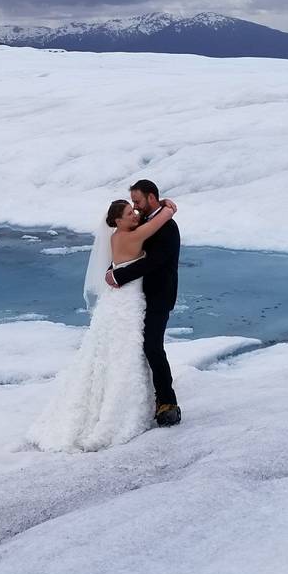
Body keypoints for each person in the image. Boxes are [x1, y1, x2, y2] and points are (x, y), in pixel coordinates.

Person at [27, 196, 177, 452]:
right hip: (128, 302)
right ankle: (121, 409)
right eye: (129, 212)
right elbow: (165, 217)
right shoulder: (133, 235)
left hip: (117, 302)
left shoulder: (117, 237)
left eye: (134, 209)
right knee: (127, 350)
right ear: (117, 220)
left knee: (112, 349)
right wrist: (168, 206)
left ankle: (115, 398)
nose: (135, 215)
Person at [106, 180, 181, 427]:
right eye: (132, 205)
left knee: (152, 346)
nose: (135, 209)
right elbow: (129, 253)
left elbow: (155, 261)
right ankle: (132, 401)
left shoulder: (168, 227)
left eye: (137, 202)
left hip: (159, 295)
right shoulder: (144, 222)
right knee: (133, 347)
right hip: (136, 298)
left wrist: (118, 276)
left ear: (151, 197)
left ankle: (168, 402)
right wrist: (115, 269)